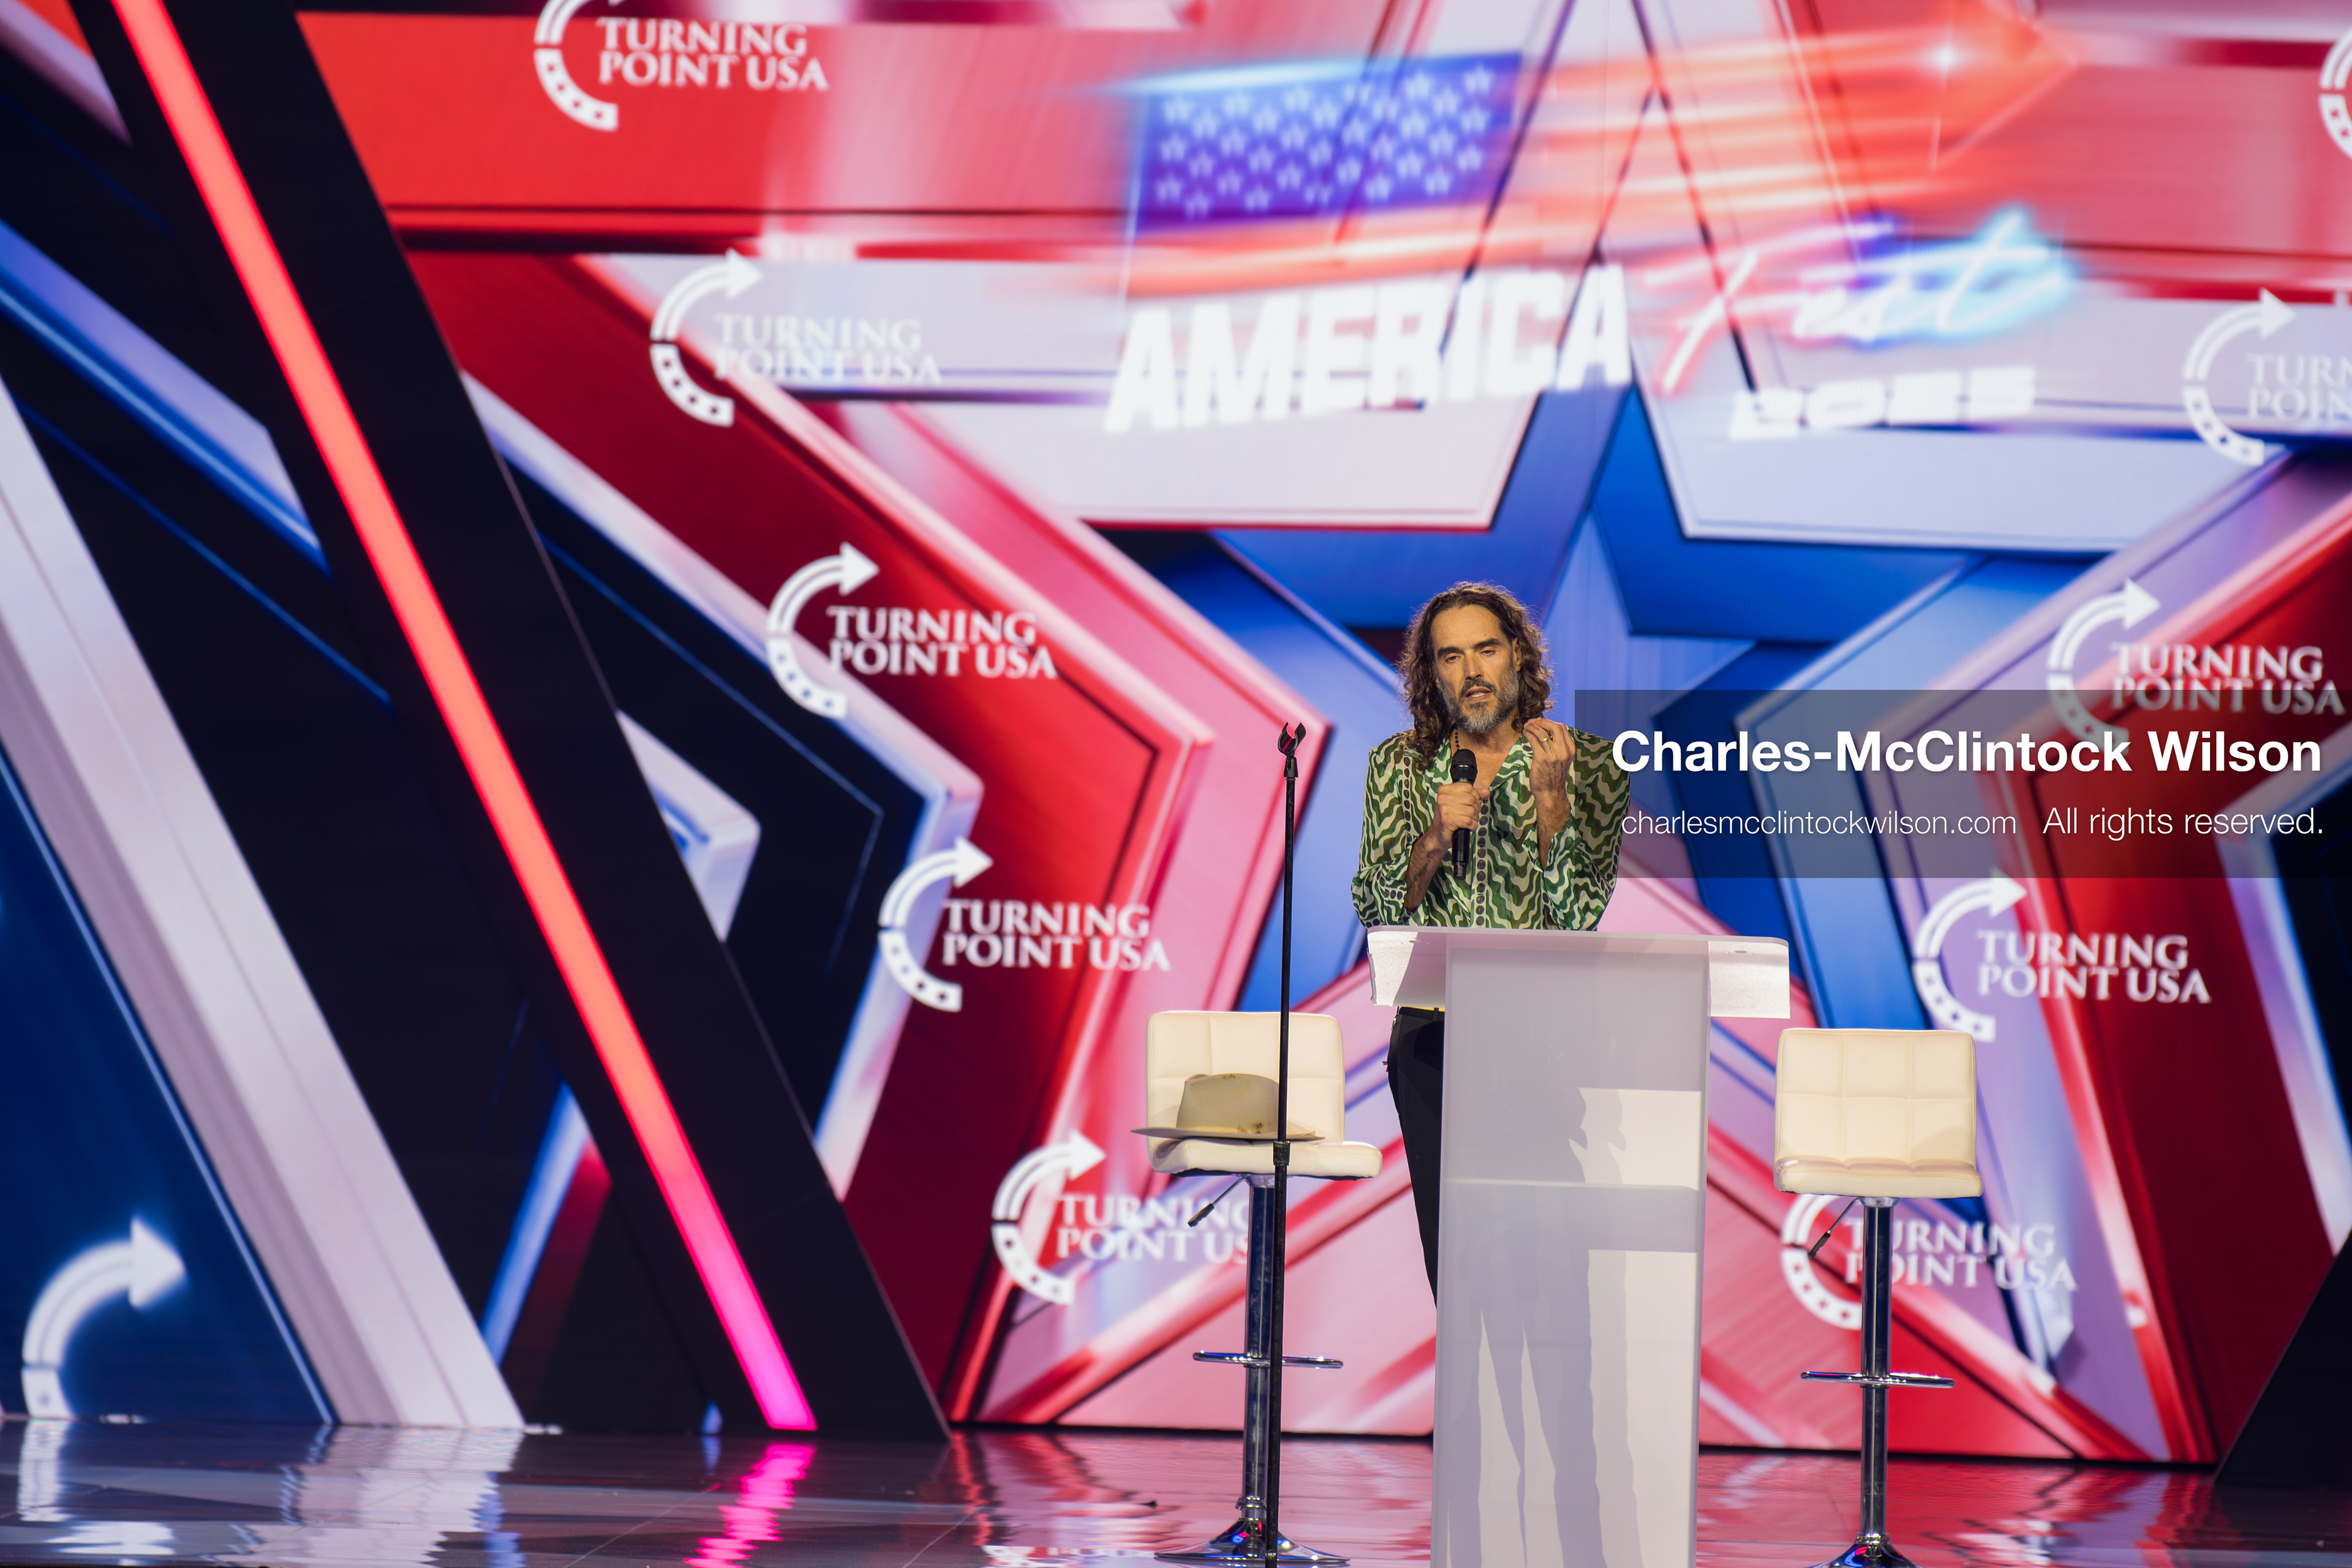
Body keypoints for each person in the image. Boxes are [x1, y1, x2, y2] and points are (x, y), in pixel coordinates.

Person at [1351, 582, 1631, 1293]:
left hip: (1545, 1038)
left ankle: (1563, 1409)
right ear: (1431, 674)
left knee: (1553, 1264)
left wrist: (1552, 800)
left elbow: (1577, 917)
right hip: (1433, 1039)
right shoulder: (1400, 765)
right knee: (1459, 1265)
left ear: (1518, 659)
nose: (1472, 671)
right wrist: (1436, 837)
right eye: (1451, 657)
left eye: (1487, 649)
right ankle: (1467, 1409)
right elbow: (1376, 907)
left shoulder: (1590, 764)